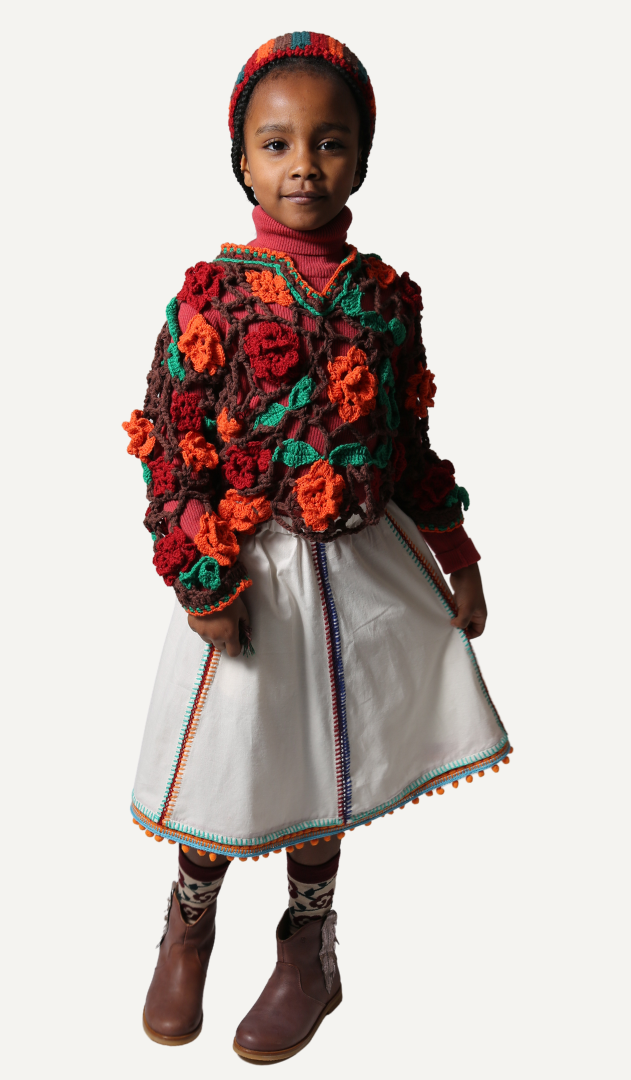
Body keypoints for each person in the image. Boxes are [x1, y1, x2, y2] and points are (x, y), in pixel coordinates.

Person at [122, 32, 511, 1064]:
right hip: (250, 575)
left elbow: (408, 442)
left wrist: (458, 552)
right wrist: (202, 574)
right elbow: (169, 450)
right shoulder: (209, 297)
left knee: (327, 756)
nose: (304, 164)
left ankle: (309, 944)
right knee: (230, 753)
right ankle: (190, 918)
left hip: (357, 575)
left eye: (330, 142)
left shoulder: (386, 301)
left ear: (362, 159)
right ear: (242, 162)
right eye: (277, 143)